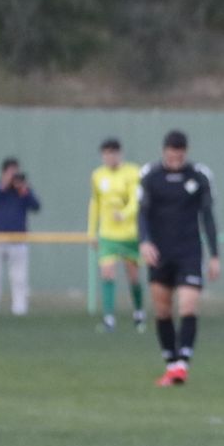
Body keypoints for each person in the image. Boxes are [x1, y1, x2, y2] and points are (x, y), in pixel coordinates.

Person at [137, 131, 220, 387]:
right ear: (164, 152)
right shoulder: (150, 175)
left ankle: (182, 365)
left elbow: (207, 216)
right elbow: (141, 213)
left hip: (189, 252)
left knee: (187, 306)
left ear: (186, 152)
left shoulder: (199, 175)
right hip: (160, 253)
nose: (176, 159)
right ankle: (172, 366)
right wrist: (144, 241)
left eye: (180, 155)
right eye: (172, 155)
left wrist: (215, 254)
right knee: (162, 310)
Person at [89, 138, 145, 332]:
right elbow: (95, 203)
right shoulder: (97, 176)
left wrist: (124, 214)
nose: (110, 157)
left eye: (113, 153)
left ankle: (139, 313)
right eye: (106, 153)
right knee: (107, 273)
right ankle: (109, 319)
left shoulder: (133, 172)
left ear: (120, 154)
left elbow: (136, 200)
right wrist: (91, 232)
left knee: (133, 276)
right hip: (107, 235)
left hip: (130, 234)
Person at [0, 157, 41, 316]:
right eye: (11, 172)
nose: (14, 175)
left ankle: (19, 309)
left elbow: (36, 206)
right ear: (4, 172)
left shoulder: (22, 189)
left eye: (16, 172)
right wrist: (3, 186)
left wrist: (23, 191)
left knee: (19, 278)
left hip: (18, 240)